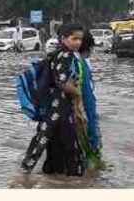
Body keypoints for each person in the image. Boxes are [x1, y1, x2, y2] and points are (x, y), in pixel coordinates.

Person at [21, 23, 87, 176]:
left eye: (80, 39)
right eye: (74, 38)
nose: (78, 42)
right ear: (63, 39)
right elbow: (62, 82)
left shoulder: (58, 53)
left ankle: (39, 173)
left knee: (49, 141)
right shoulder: (65, 55)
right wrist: (78, 96)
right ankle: (72, 175)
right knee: (58, 142)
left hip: (55, 107)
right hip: (58, 109)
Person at [73, 29, 102, 169]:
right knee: (90, 166)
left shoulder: (71, 61)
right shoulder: (81, 65)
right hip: (82, 119)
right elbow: (88, 101)